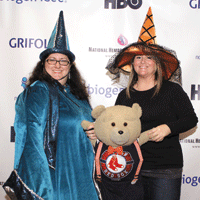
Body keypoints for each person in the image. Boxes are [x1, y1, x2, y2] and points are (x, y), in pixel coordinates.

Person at [3, 11, 99, 200]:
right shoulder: (39, 91)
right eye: (51, 60)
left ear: (71, 66)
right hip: (56, 179)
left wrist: (94, 135)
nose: (57, 65)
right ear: (43, 64)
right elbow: (32, 138)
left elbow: (86, 128)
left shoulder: (77, 95)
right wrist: (42, 188)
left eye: (63, 60)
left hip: (82, 173)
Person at [105, 7, 198, 200]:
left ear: (157, 63)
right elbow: (113, 128)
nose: (143, 61)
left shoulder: (172, 90)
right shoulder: (124, 96)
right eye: (138, 57)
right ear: (132, 64)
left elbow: (191, 119)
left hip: (164, 169)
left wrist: (168, 128)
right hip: (130, 167)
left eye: (149, 57)